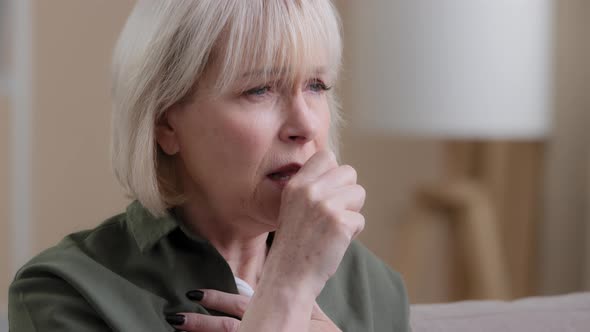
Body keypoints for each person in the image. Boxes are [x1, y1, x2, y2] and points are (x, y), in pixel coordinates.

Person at [8, 1, 410, 331]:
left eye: (316, 85)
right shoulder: (65, 291)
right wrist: (287, 292)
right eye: (259, 89)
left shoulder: (375, 288)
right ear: (165, 123)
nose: (305, 126)